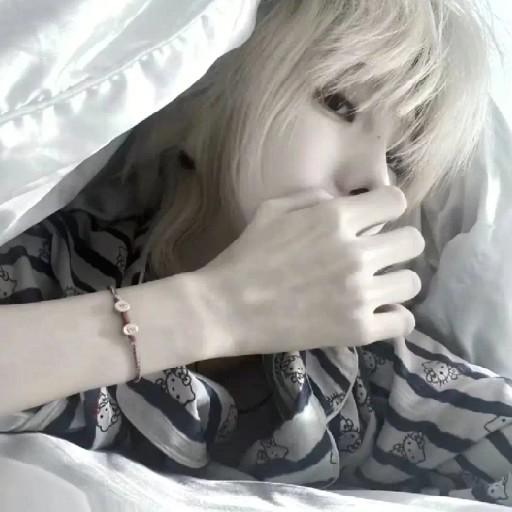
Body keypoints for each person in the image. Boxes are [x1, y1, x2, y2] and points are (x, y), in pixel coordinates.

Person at [2, 0, 510, 503]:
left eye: (399, 161)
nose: (377, 179)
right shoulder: (50, 267)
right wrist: (218, 308)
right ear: (213, 90)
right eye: (339, 102)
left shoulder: (368, 373)